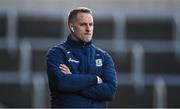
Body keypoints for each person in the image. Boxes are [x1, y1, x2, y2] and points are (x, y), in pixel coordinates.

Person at [46, 7, 117, 108]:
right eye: (83, 24)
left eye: (91, 24)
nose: (88, 29)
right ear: (72, 26)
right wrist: (95, 79)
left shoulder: (104, 57)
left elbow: (109, 92)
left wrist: (73, 79)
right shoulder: (57, 53)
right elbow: (62, 83)